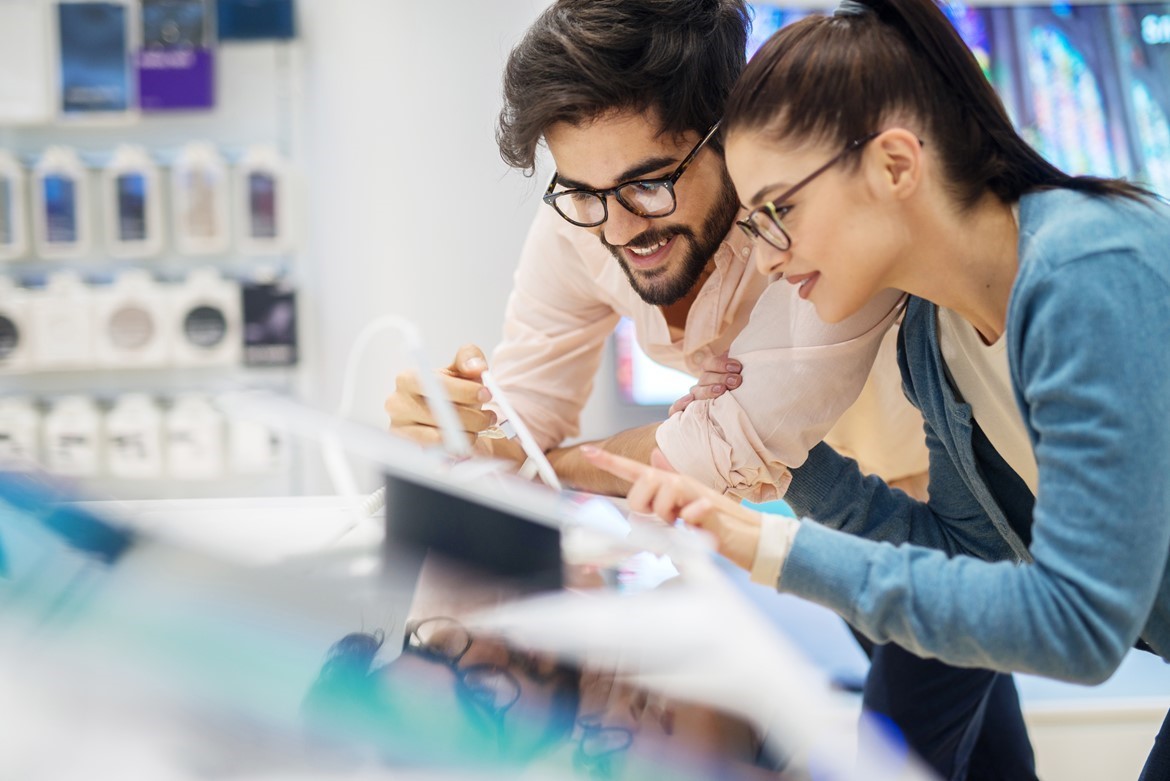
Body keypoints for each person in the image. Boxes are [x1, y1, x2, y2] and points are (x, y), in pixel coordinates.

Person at [382, 3, 1036, 779]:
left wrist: (542, 459)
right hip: (835, 505)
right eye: (584, 191)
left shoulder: (804, 221)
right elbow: (521, 420)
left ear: (729, 133)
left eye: (649, 184)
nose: (619, 228)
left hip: (935, 501)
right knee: (975, 740)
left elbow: (728, 448)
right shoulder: (580, 223)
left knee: (910, 734)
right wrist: (450, 430)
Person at [583, 0, 1170, 776]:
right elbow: (972, 554)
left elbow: (1079, 624)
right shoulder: (933, 338)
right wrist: (791, 468)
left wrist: (765, 544)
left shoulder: (1084, 273)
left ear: (896, 164)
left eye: (778, 211)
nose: (765, 260)